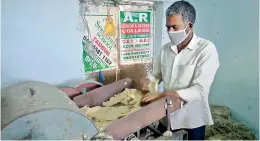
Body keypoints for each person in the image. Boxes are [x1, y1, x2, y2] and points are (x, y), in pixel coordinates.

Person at [141, 0, 220, 140]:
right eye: (167, 27)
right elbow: (155, 74)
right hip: (166, 115)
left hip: (191, 119)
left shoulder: (205, 50)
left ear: (189, 26)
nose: (170, 32)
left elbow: (200, 91)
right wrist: (149, 81)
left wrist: (162, 95)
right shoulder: (166, 49)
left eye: (175, 27)